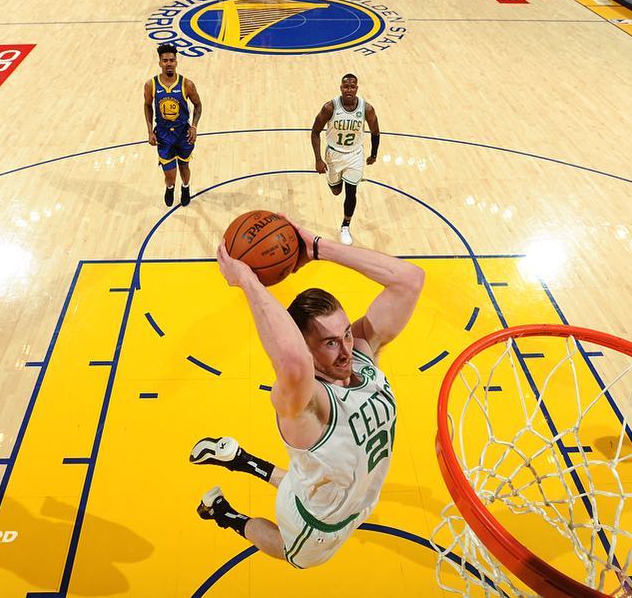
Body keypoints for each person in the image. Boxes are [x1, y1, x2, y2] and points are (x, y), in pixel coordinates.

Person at [191, 218, 424, 569]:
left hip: (342, 496)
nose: (346, 350)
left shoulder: (359, 354)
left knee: (306, 479)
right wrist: (248, 282)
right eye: (330, 343)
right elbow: (291, 361)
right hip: (313, 526)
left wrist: (318, 248)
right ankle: (225, 515)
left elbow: (409, 281)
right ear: (306, 347)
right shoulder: (306, 401)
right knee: (289, 553)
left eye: (346, 333)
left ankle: (239, 458)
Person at [310, 74, 380, 246]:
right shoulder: (329, 107)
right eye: (346, 87)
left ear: (357, 88)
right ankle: (334, 181)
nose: (349, 90)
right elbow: (315, 131)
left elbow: (375, 132)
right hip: (334, 155)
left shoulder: (367, 109)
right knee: (336, 191)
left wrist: (374, 154)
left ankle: (345, 226)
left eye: (352, 87)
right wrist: (318, 159)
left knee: (351, 191)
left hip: (355, 154)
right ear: (341, 88)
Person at [143, 43, 202, 207]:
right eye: (165, 60)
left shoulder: (186, 85)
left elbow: (198, 105)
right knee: (169, 175)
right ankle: (170, 187)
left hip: (183, 134)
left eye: (172, 60)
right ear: (160, 63)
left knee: (184, 167)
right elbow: (147, 106)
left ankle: (185, 187)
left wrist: (194, 126)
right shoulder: (151, 85)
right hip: (163, 135)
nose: (169, 63)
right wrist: (149, 131)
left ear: (176, 62)